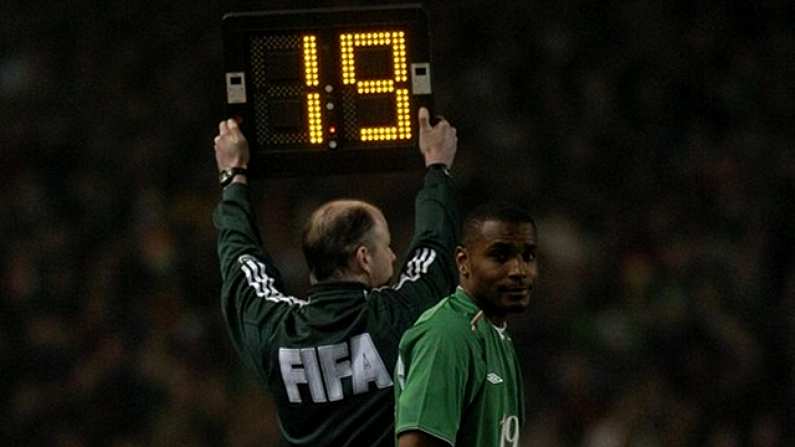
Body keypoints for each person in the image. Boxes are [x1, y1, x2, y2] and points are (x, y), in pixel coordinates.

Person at [212, 107, 459, 447]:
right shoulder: (397, 317)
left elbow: (240, 261)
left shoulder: (277, 331)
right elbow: (434, 250)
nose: (392, 254)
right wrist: (437, 167)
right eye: (386, 245)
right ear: (363, 258)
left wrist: (233, 177)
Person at [394, 203, 538, 447]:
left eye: (528, 256)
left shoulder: (493, 332)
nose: (518, 270)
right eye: (500, 256)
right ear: (463, 261)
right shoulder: (447, 334)